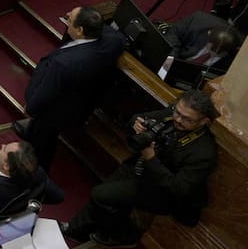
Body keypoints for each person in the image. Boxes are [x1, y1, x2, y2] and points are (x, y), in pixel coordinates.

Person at [62, 90, 218, 247]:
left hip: (164, 193)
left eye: (187, 119)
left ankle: (121, 235)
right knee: (107, 187)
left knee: (101, 194)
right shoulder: (174, 114)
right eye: (177, 112)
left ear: (204, 121)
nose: (178, 120)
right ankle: (76, 230)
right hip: (145, 169)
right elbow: (140, 117)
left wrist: (150, 159)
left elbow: (178, 188)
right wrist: (136, 123)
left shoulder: (204, 152)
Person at [17, 5, 125, 170]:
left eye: (70, 18)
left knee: (42, 142)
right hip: (80, 102)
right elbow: (116, 35)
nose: (66, 15)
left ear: (80, 30)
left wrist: (31, 108)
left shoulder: (63, 64)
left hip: (55, 112)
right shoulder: (114, 41)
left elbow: (43, 95)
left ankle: (36, 171)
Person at [163, 9, 242, 74]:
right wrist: (170, 57)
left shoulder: (238, 54)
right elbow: (174, 34)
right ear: (209, 33)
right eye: (211, 49)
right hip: (175, 61)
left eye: (219, 53)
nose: (213, 54)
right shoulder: (198, 20)